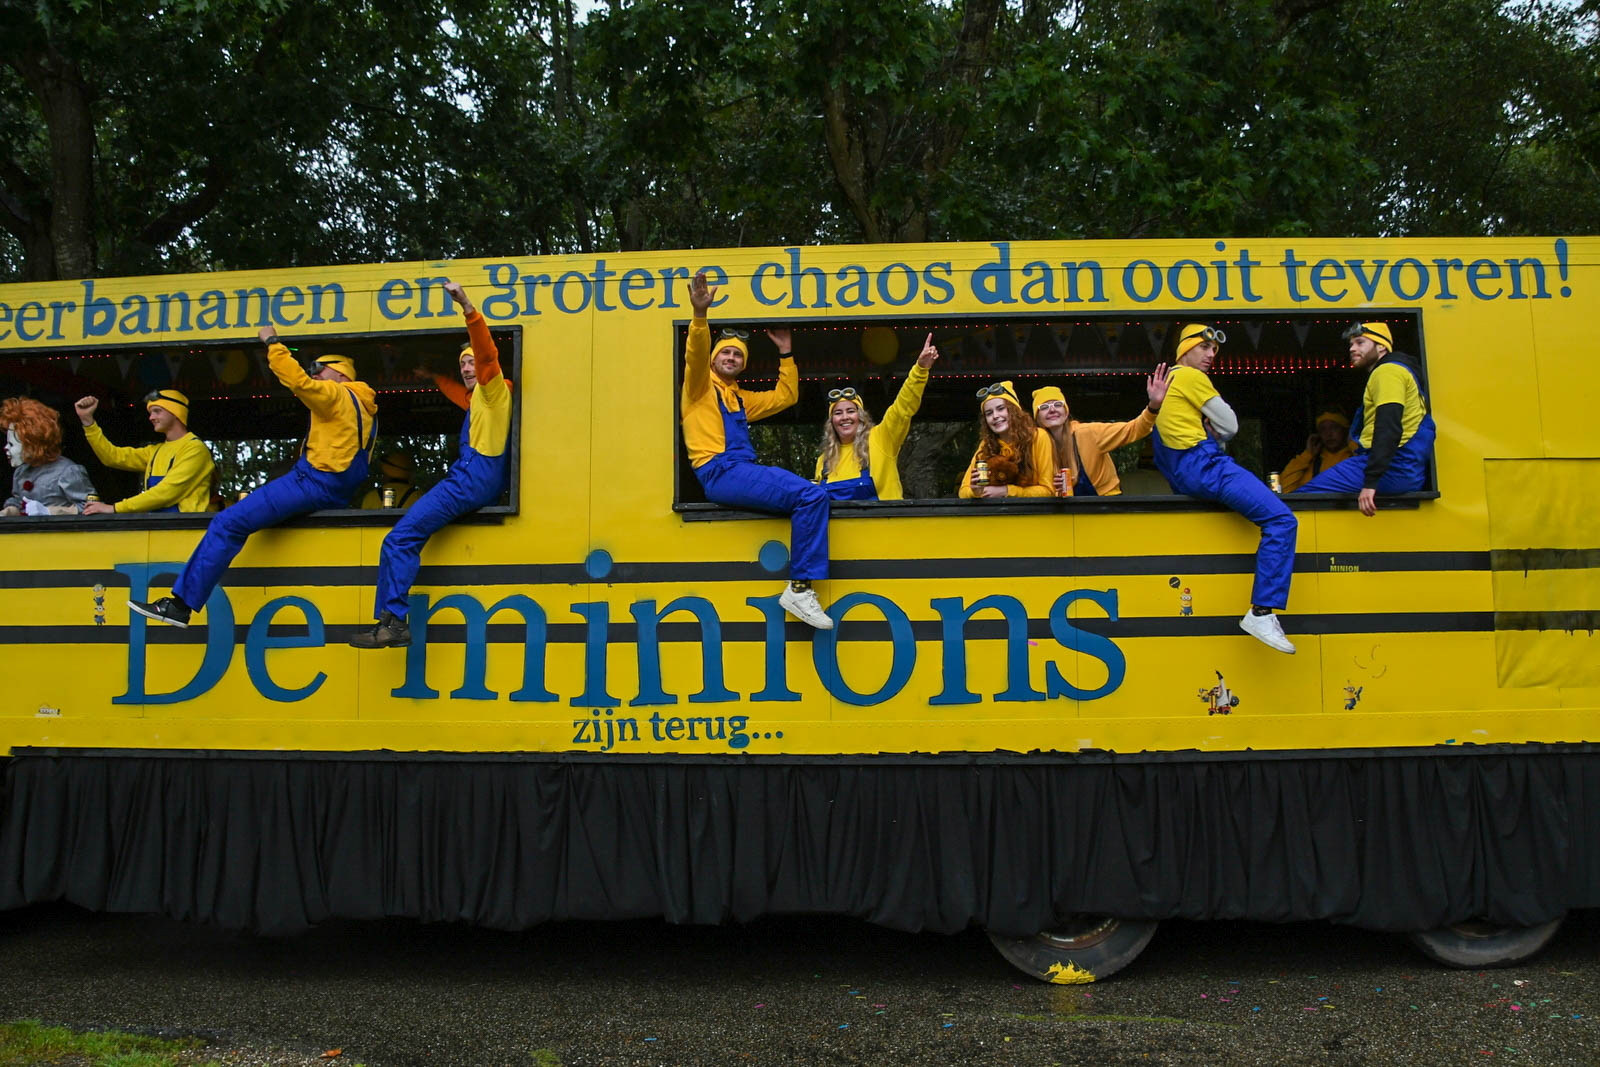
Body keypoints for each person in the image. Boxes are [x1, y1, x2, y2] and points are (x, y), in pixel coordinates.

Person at [128, 330, 378, 627]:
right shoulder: (366, 407)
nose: (315, 374)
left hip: (312, 482)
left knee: (227, 523)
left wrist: (272, 343)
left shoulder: (336, 394)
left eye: (319, 369)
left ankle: (180, 606)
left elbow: (298, 382)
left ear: (340, 373)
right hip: (336, 490)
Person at [350, 281, 512, 648]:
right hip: (480, 477)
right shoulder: (478, 400)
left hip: (472, 477)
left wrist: (467, 307)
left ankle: (393, 623)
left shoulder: (494, 390)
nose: (467, 368)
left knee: (398, 539)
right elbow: (457, 392)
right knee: (402, 538)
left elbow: (487, 356)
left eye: (470, 362)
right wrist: (434, 378)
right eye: (462, 364)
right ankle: (391, 621)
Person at [680, 271, 832, 630]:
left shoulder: (739, 398)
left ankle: (800, 586)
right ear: (714, 359)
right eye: (725, 352)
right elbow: (695, 356)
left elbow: (786, 396)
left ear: (743, 364)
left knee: (812, 494)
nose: (731, 357)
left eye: (737, 355)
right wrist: (700, 316)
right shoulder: (699, 387)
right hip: (719, 471)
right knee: (810, 496)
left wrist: (785, 353)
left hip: (738, 470)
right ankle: (799, 588)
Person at [1152, 324, 1297, 654]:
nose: (1211, 355)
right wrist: (1217, 431)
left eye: (1214, 350)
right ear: (1184, 350)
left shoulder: (1167, 384)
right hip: (1205, 466)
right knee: (1282, 520)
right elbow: (1230, 425)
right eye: (1204, 348)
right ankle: (1262, 613)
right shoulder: (1190, 377)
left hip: (1184, 473)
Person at [1293, 322, 1436, 516]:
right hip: (1403, 468)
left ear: (1381, 347)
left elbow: (1388, 428)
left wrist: (1370, 483)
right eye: (1351, 344)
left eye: (1360, 343)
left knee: (1301, 500)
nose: (1352, 349)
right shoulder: (1399, 371)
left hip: (1394, 467)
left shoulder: (1387, 372)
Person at [813, 333, 939, 501]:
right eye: (838, 413)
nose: (844, 417)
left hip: (886, 518)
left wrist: (920, 369)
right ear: (831, 422)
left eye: (851, 411)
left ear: (861, 416)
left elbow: (902, 407)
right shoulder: (824, 461)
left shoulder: (881, 439)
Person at [1031, 366, 1169, 497]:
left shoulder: (1088, 433)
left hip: (1105, 502)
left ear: (1066, 412)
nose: (1052, 409)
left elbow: (1134, 429)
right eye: (1044, 407)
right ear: (1037, 418)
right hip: (1068, 508)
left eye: (1058, 404)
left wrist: (1154, 405)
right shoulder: (1036, 446)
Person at [74, 389, 215, 513]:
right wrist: (88, 422)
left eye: (157, 411)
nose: (151, 417)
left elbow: (166, 493)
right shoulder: (156, 451)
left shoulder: (195, 449)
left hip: (184, 530)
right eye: (150, 412)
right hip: (157, 527)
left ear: (176, 413)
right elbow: (112, 457)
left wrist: (115, 508)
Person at [957, 381, 1056, 499]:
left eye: (1000, 409)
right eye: (989, 413)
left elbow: (1049, 491)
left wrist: (1007, 491)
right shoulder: (986, 445)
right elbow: (963, 491)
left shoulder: (1038, 437)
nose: (995, 416)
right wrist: (976, 492)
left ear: (1014, 410)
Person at [1, 397, 95, 516]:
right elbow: (18, 502)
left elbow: (92, 506)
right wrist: (9, 511)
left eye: (11, 444)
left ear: (32, 443)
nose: (5, 448)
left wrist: (50, 511)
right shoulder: (20, 472)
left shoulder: (68, 471)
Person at [1278, 410, 1355, 494]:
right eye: (1323, 429)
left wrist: (1353, 444)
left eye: (1334, 427)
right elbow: (1284, 490)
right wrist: (1307, 455)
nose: (1328, 434)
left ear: (1345, 430)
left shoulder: (1354, 458)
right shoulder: (1313, 463)